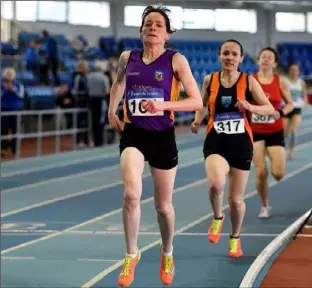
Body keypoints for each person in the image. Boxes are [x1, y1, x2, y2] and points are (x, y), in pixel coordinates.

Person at [107, 5, 202, 287]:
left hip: (162, 135)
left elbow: (196, 101)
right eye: (148, 23)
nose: (152, 28)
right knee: (131, 196)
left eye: (158, 24)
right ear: (140, 30)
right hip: (134, 134)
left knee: (163, 207)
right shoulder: (128, 57)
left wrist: (163, 105)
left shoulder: (176, 60)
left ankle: (167, 252)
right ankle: (131, 255)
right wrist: (112, 111)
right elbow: (118, 84)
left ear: (167, 34)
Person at [191, 40, 275, 257]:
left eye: (234, 54)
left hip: (241, 144)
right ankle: (218, 217)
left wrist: (250, 106)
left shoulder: (249, 81)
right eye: (225, 53)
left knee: (236, 201)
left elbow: (270, 109)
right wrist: (196, 120)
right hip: (216, 142)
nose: (229, 57)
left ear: (241, 58)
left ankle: (235, 238)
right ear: (220, 56)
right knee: (215, 184)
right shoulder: (210, 80)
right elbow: (201, 104)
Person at [250, 47, 293, 219]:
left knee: (278, 173)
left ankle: (277, 172)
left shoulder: (280, 81)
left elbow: (290, 104)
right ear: (258, 60)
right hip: (255, 131)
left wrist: (280, 113)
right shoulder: (250, 80)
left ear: (275, 63)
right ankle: (264, 205)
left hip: (275, 130)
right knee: (260, 172)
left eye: (270, 57)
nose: (266, 59)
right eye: (263, 56)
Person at [282, 63, 308, 159]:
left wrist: (305, 101)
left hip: (297, 108)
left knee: (293, 131)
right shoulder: (284, 81)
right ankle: (282, 148)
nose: (294, 72)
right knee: (284, 132)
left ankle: (291, 151)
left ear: (298, 71)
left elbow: (305, 93)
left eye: (296, 70)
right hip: (286, 107)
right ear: (289, 71)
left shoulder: (301, 82)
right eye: (292, 70)